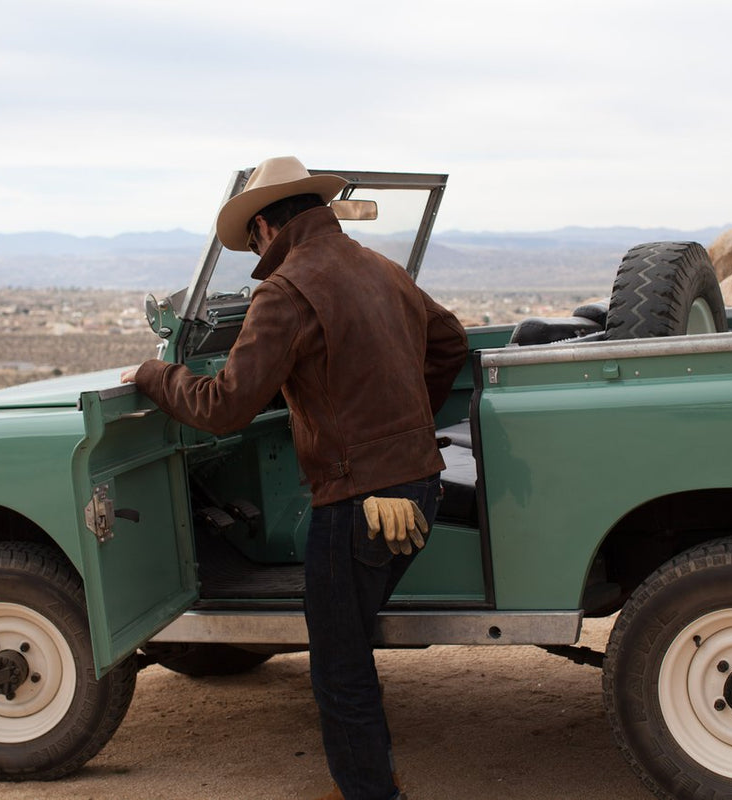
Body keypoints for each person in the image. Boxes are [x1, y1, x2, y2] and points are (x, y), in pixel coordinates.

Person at [122, 156, 468, 800]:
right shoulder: (381, 268)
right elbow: (448, 342)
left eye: (249, 240)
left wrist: (152, 375)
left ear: (261, 227)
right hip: (420, 484)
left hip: (360, 501)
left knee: (339, 659)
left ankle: (368, 790)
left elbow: (223, 407)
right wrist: (402, 432)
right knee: (349, 638)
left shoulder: (284, 292)